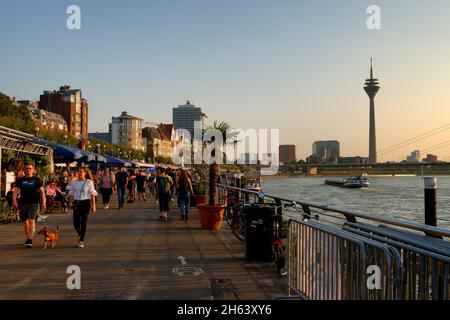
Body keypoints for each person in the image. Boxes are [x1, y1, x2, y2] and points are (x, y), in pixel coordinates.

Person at [12, 164, 46, 248]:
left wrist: (44, 201)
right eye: (27, 168)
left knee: (31, 220)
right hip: (23, 203)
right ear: (25, 170)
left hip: (33, 203)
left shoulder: (37, 180)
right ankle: (28, 238)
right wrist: (14, 201)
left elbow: (42, 191)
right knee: (25, 222)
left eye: (30, 168)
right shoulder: (20, 180)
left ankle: (30, 240)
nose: (28, 170)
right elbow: (15, 191)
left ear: (33, 170)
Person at [68, 167, 97, 248]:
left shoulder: (89, 182)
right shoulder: (74, 182)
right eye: (78, 172)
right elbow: (71, 193)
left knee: (83, 222)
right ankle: (81, 234)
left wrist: (93, 205)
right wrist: (70, 203)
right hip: (76, 203)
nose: (79, 173)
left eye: (81, 172)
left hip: (85, 203)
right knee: (75, 223)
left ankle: (81, 241)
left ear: (85, 173)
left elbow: (92, 194)